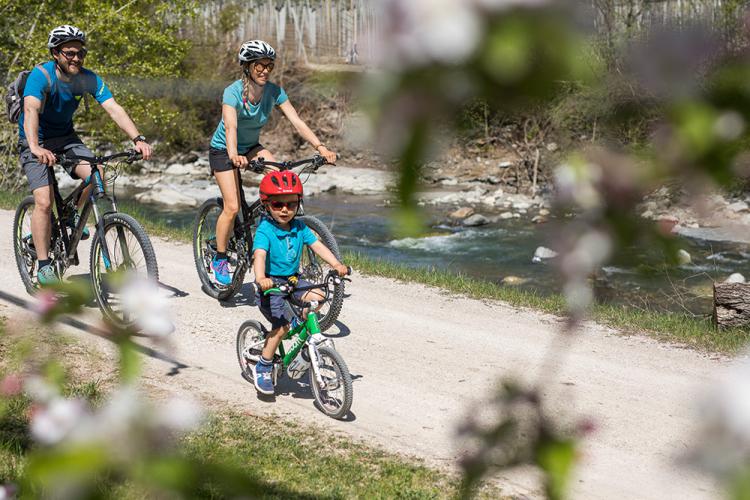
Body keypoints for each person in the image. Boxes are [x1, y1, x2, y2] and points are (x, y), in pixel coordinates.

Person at [19, 24, 152, 284]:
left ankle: (72, 215)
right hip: (35, 139)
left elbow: (113, 108)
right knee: (44, 202)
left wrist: (137, 139)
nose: (76, 58)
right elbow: (31, 110)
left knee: (96, 172)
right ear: (56, 53)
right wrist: (35, 146)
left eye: (80, 53)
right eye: (70, 53)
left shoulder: (87, 78)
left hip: (66, 138)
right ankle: (44, 264)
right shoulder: (41, 75)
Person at [208, 39, 337, 287]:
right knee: (233, 206)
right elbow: (231, 126)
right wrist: (234, 154)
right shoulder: (233, 92)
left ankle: (266, 232)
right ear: (247, 67)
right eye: (259, 66)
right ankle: (220, 258)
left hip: (252, 147)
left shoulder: (274, 92)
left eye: (269, 65)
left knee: (281, 182)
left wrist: (321, 148)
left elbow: (297, 122)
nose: (265, 70)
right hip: (224, 150)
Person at [252, 170, 347, 395]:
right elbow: (260, 255)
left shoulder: (300, 227)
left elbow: (318, 246)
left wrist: (336, 264)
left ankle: (300, 327)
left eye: (291, 204)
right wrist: (261, 278)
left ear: (298, 203)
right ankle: (263, 365)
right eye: (278, 204)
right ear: (266, 205)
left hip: (293, 281)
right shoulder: (265, 230)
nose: (285, 209)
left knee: (318, 297)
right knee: (281, 327)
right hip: (272, 286)